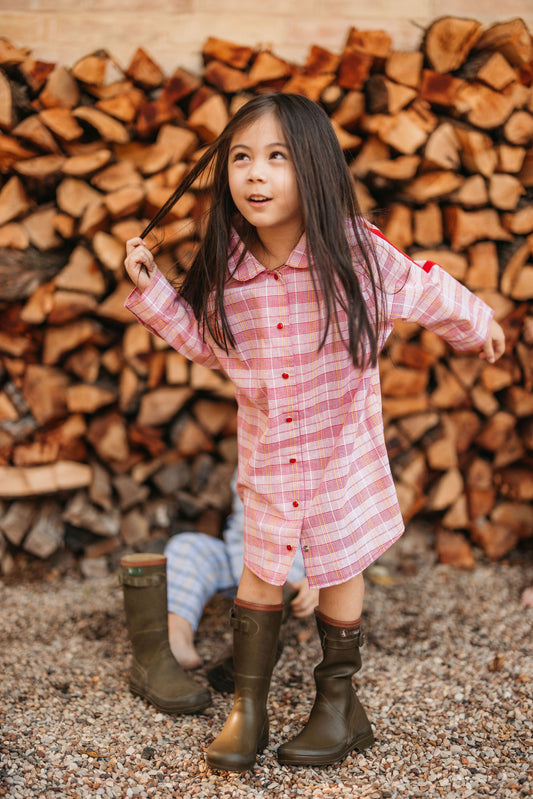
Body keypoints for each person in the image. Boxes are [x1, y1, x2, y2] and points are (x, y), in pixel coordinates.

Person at [123, 92, 505, 772]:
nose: (255, 174)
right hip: (269, 457)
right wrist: (154, 291)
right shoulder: (229, 272)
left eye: (277, 157)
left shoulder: (356, 253)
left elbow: (427, 288)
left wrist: (480, 328)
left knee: (340, 565)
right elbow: (210, 347)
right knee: (260, 573)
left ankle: (337, 702)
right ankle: (249, 705)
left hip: (341, 455)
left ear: (315, 169)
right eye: (240, 157)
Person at [165, 471, 318, 676]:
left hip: (298, 579)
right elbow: (242, 529)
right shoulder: (252, 461)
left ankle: (252, 654)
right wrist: (251, 575)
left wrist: (317, 579)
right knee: (185, 547)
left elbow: (345, 542)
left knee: (334, 588)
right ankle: (176, 637)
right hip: (242, 562)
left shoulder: (327, 469)